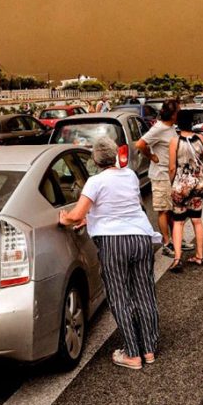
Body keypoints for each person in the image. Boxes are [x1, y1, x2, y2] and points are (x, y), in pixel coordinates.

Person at [59, 137, 160, 370]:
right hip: (141, 238)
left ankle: (132, 354)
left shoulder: (95, 181)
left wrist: (66, 218)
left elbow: (76, 214)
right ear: (115, 155)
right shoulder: (130, 176)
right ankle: (149, 348)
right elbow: (122, 204)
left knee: (120, 296)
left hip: (114, 242)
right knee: (145, 293)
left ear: (95, 160)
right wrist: (92, 216)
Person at [135, 99, 194, 257]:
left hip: (172, 174)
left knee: (174, 209)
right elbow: (140, 144)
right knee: (163, 210)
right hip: (161, 175)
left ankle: (177, 239)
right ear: (173, 114)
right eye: (178, 111)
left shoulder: (172, 128)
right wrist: (151, 156)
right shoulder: (159, 128)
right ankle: (167, 243)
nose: (180, 113)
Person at [167, 110, 203, 272]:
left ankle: (177, 258)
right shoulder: (201, 139)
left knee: (178, 222)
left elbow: (172, 167)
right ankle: (199, 256)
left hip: (181, 186)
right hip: (199, 185)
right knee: (197, 220)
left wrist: (172, 183)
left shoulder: (174, 141)